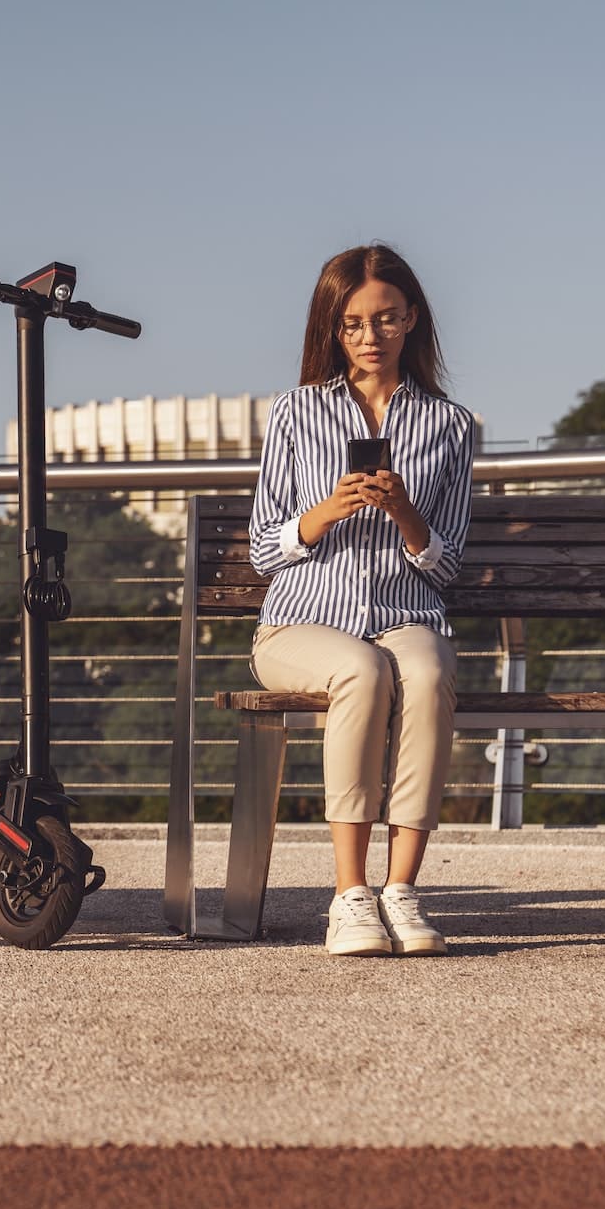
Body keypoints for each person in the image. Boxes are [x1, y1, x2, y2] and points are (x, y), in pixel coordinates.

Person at [246, 243, 475, 957]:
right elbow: (262, 550)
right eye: (352, 324)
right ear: (332, 328)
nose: (370, 337)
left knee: (428, 668)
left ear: (412, 319)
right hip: (299, 626)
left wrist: (407, 515)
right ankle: (350, 895)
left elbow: (447, 567)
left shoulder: (452, 426)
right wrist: (325, 512)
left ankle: (401, 890)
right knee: (362, 670)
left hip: (406, 616)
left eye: (385, 319)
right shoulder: (295, 413)